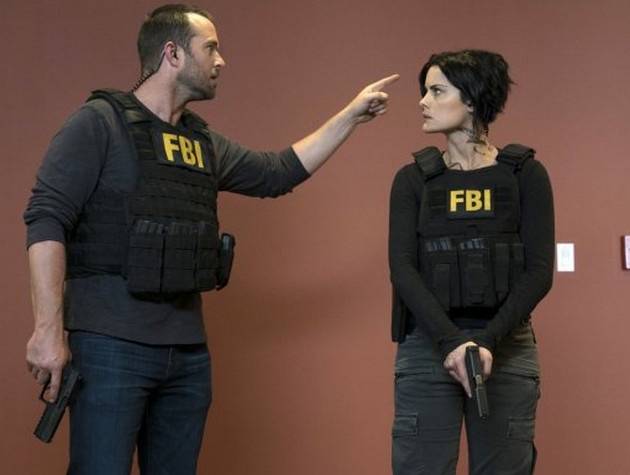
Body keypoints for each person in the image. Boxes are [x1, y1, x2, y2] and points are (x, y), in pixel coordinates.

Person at [24, 4, 398, 474]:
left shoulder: (200, 143)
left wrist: (351, 115)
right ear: (172, 54)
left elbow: (276, 173)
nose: (222, 60)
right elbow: (46, 219)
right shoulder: (99, 123)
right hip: (110, 346)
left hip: (186, 355)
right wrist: (47, 331)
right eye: (211, 48)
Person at [388, 50, 554, 475]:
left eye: (436, 91)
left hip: (506, 346)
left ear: (472, 98)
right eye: (424, 91)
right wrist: (451, 344)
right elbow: (402, 268)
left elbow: (539, 272)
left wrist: (487, 343)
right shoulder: (412, 180)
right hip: (428, 346)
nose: (423, 101)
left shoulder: (525, 175)